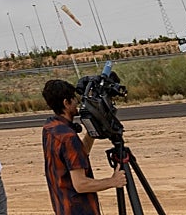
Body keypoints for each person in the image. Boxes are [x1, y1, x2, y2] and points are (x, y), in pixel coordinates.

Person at [40, 79, 126, 215]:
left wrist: (93, 128)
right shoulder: (68, 137)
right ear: (66, 103)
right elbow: (80, 184)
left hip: (63, 206)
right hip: (79, 209)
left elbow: (78, 154)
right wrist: (113, 181)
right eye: (74, 100)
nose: (77, 103)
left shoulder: (50, 128)